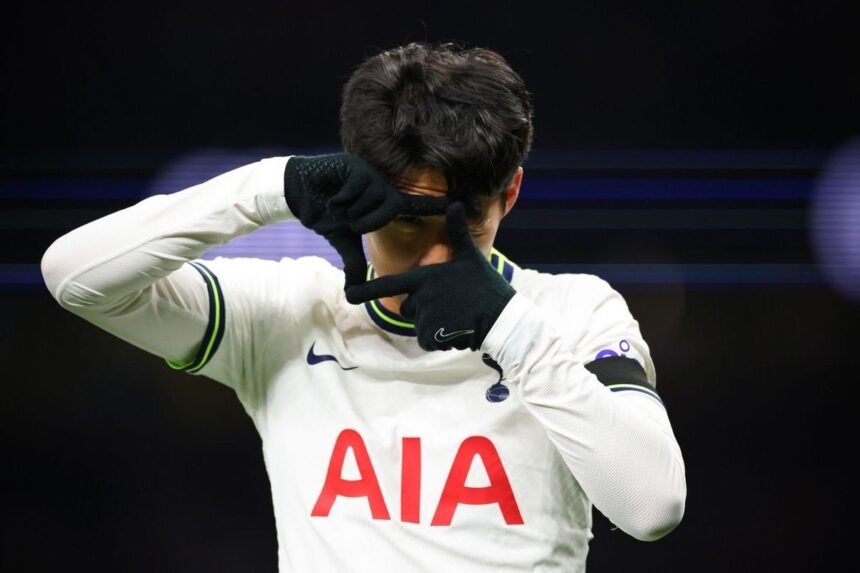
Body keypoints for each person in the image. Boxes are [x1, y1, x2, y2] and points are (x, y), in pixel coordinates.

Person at [41, 42, 686, 571]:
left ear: (510, 193)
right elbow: (74, 274)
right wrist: (270, 187)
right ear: (354, 185)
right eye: (408, 221)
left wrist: (510, 330)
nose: (438, 258)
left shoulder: (574, 314)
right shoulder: (287, 312)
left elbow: (652, 507)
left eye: (465, 226)